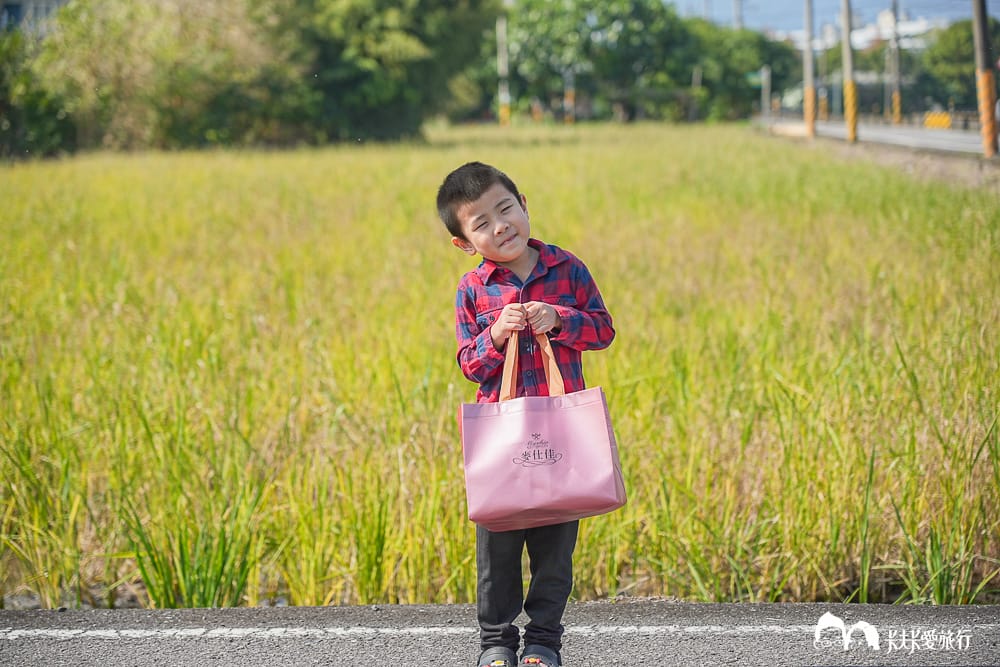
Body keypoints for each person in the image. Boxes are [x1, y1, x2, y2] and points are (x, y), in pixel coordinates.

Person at [436, 161, 615, 667]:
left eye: (506, 208)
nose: (501, 226)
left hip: (561, 435)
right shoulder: (473, 289)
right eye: (482, 223)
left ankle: (542, 642)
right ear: (465, 243)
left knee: (555, 549)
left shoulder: (568, 269)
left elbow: (602, 331)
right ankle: (495, 644)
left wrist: (559, 318)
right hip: (504, 440)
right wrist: (495, 335)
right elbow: (469, 364)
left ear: (524, 204)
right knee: (497, 549)